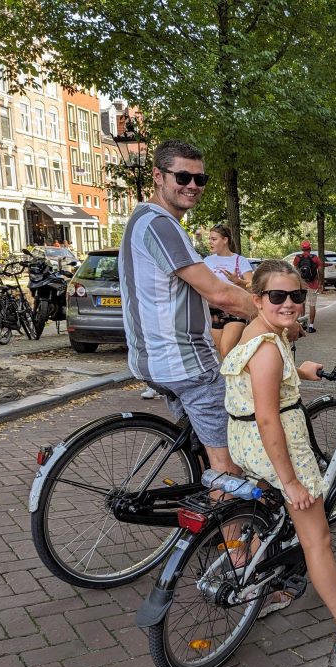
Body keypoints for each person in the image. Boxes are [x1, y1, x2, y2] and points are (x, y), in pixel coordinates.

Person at [221, 259, 336, 656]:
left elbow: (258, 378)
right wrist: (292, 482)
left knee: (274, 519)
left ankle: (265, 585)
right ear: (258, 298)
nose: (289, 304)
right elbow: (268, 419)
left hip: (243, 444)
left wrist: (299, 371)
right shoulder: (268, 349)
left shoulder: (256, 334)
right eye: (278, 296)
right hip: (276, 447)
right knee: (317, 540)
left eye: (296, 296)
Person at [118, 139, 256, 478]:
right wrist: (274, 316)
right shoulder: (160, 224)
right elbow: (218, 294)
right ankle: (232, 530)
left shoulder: (143, 219)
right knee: (230, 462)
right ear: (158, 176)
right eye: (182, 177)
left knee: (206, 451)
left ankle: (206, 510)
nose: (192, 186)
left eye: (200, 179)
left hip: (153, 361)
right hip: (186, 363)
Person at [203, 223, 255, 360]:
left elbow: (253, 286)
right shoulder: (206, 261)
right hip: (214, 312)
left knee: (226, 350)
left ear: (225, 240)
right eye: (210, 239)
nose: (210, 242)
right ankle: (238, 376)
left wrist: (239, 282)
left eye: (214, 239)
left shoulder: (239, 260)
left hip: (236, 310)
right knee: (223, 353)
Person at [294, 240, 323, 332]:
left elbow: (295, 271)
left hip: (302, 284)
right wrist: (321, 282)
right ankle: (311, 326)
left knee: (302, 303)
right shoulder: (315, 258)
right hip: (313, 284)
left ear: (302, 248)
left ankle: (303, 324)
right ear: (310, 248)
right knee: (312, 305)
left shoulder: (298, 258)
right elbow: (320, 271)